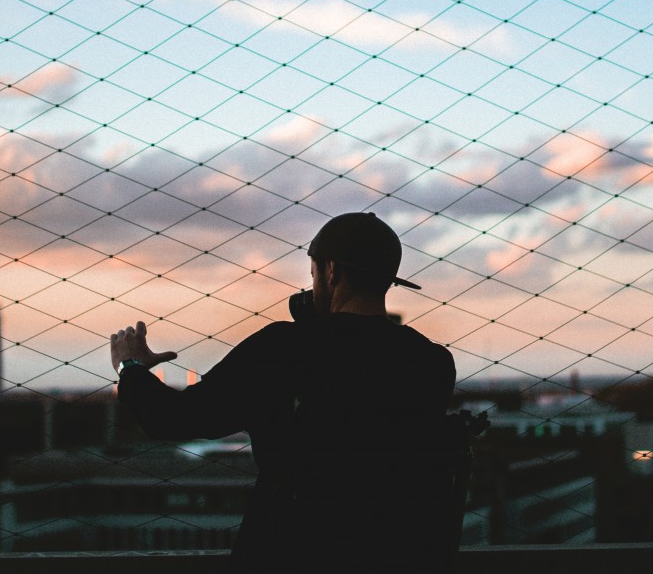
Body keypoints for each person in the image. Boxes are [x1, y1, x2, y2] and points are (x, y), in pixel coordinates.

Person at [111, 212, 457, 572]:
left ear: (332, 271)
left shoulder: (284, 348)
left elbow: (173, 418)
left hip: (290, 550)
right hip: (396, 554)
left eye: (313, 274)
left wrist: (130, 369)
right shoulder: (432, 363)